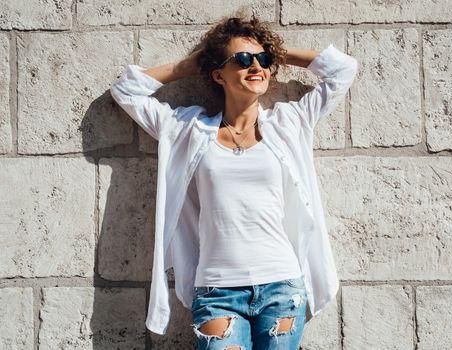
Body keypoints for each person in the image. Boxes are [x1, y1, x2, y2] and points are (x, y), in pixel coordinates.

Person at [110, 13, 358, 350]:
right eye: (242, 59)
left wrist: (279, 54)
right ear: (218, 74)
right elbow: (127, 91)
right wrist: (190, 65)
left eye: (262, 59)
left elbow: (342, 70)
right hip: (217, 291)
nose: (255, 66)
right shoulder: (188, 129)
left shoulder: (290, 122)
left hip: (282, 285)